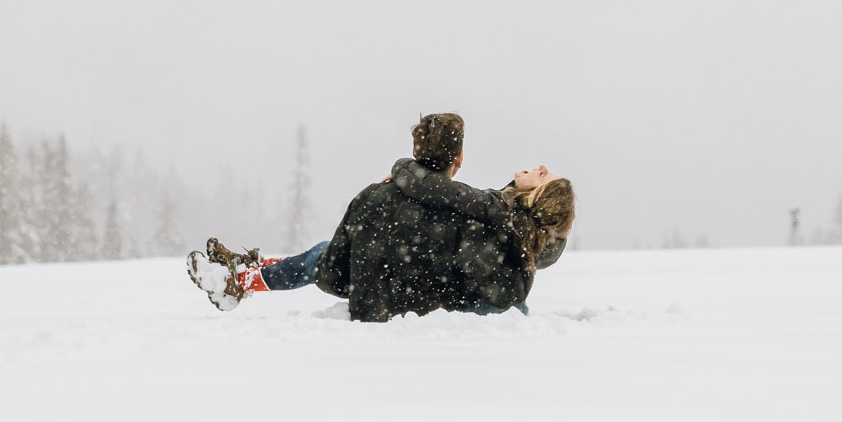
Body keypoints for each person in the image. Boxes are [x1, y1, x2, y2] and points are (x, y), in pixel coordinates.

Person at [187, 113, 575, 322]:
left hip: (387, 298)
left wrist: (404, 172)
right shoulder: (498, 215)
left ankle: (243, 278)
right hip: (412, 292)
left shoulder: (487, 214)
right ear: (457, 160)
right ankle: (243, 274)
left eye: (543, 174)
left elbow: (336, 270)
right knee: (322, 254)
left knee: (321, 256)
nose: (538, 166)